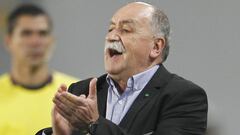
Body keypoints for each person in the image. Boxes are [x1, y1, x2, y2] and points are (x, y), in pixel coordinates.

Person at [37, 2, 208, 135]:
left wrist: (94, 124)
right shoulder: (82, 90)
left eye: (126, 30)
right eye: (110, 29)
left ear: (156, 46)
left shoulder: (184, 97)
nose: (112, 36)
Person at [0, 4, 78, 135]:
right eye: (26, 33)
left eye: (42, 33)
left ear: (52, 41)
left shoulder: (74, 93)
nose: (35, 42)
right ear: (8, 41)